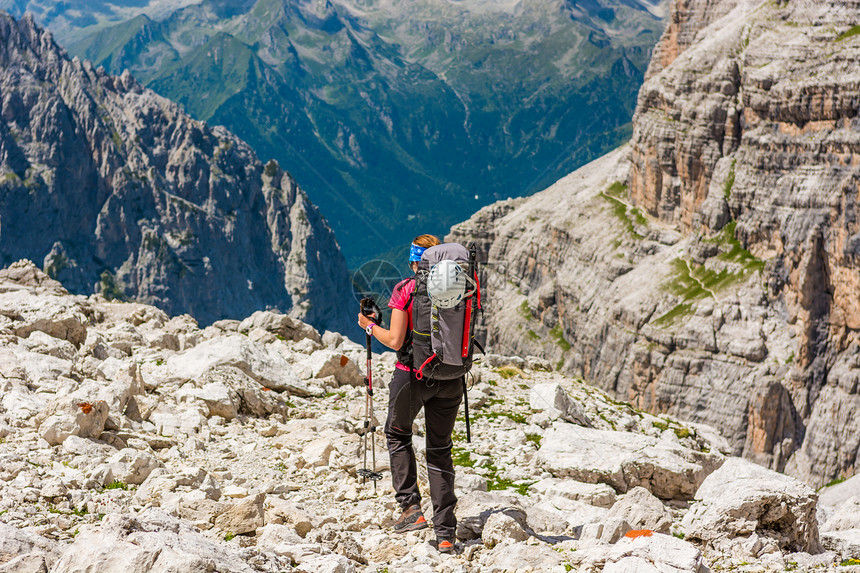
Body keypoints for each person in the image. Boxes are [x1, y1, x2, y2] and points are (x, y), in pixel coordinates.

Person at [357, 234, 463, 554]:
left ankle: (411, 510)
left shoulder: (406, 288)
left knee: (397, 433)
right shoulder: (459, 287)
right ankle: (445, 533)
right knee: (440, 449)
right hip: (452, 378)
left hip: (411, 376)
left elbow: (394, 339)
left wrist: (369, 325)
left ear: (416, 261)